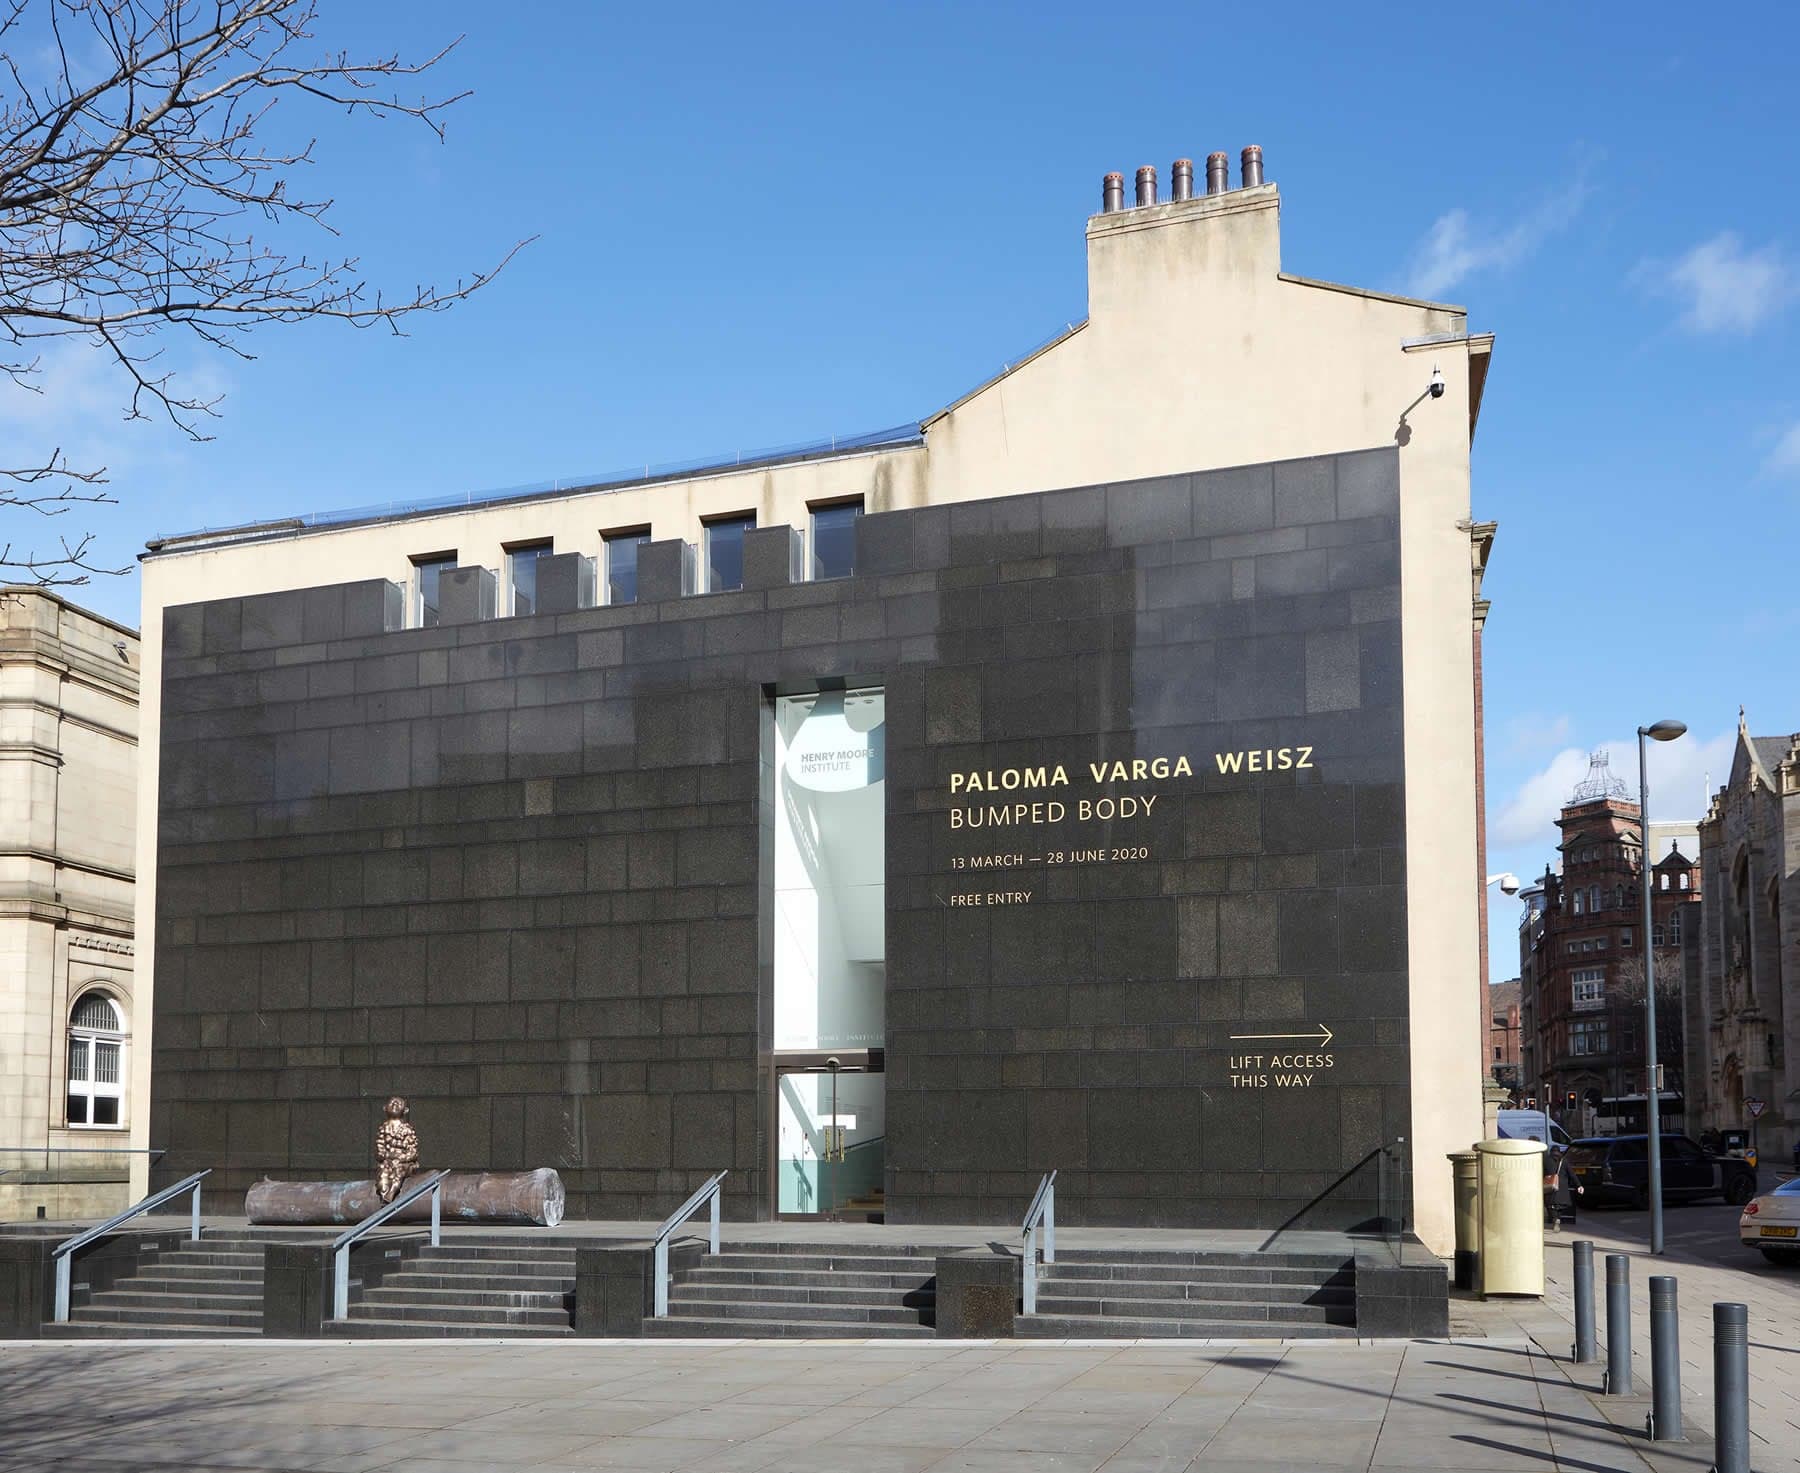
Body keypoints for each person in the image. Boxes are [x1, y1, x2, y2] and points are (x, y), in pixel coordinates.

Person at [1544, 1151, 1583, 1231]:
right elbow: (1572, 1174)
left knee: (1550, 1205)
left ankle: (1555, 1219)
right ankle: (1558, 1218)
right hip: (1562, 1187)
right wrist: (1579, 1185)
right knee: (1561, 1205)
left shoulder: (1546, 1161)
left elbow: (1542, 1173)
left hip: (1551, 1185)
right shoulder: (1564, 1161)